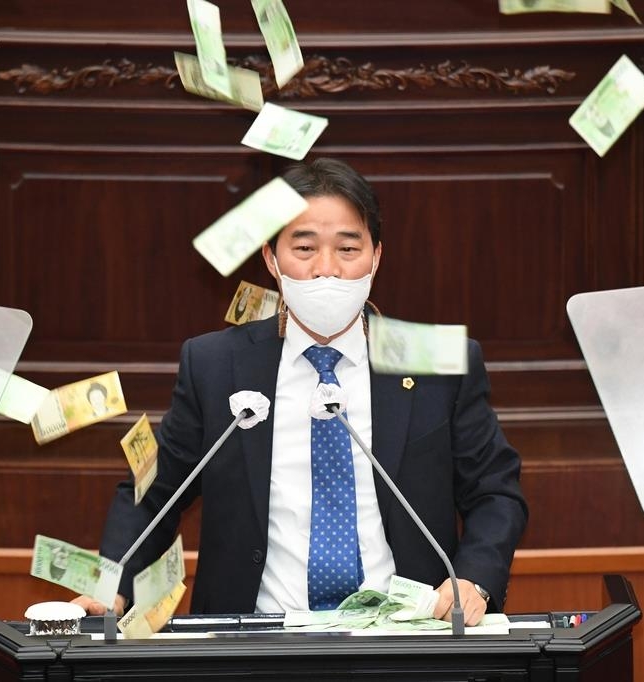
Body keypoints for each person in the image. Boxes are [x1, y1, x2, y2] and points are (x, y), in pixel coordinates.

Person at [76, 158, 527, 625]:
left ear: (376, 257)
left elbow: (495, 490)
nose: (326, 270)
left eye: (348, 249)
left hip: (406, 634)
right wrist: (111, 586)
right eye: (305, 247)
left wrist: (473, 579)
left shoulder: (436, 358)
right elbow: (150, 492)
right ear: (271, 258)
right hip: (254, 637)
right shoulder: (214, 364)